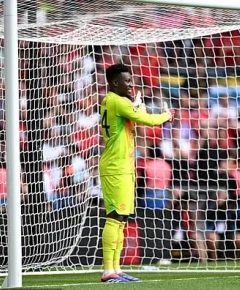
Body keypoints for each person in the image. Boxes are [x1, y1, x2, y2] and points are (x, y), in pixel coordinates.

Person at [98, 63, 173, 283]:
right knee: (114, 217)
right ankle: (107, 270)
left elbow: (135, 117)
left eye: (131, 80)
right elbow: (147, 120)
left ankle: (116, 269)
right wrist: (165, 116)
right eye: (127, 80)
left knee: (121, 220)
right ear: (114, 83)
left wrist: (137, 106)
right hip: (115, 168)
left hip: (123, 167)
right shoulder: (118, 102)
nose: (131, 84)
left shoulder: (113, 102)